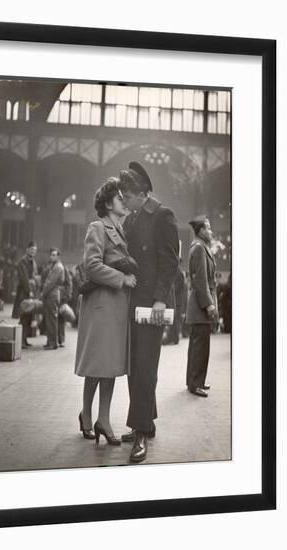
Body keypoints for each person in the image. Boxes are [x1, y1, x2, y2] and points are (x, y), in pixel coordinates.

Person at [119, 161, 179, 463]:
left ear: (139, 194)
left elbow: (170, 264)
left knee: (145, 367)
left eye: (126, 197)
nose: (124, 202)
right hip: (133, 303)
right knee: (135, 366)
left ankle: (140, 432)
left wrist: (160, 300)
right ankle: (147, 421)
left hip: (151, 305)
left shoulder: (163, 216)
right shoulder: (133, 218)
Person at [75, 178, 137, 445]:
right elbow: (91, 265)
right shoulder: (97, 227)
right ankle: (89, 416)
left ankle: (101, 418)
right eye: (120, 198)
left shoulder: (121, 231)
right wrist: (121, 278)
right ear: (108, 203)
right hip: (101, 306)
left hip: (116, 308)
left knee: (109, 366)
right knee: (98, 365)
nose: (124, 201)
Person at [186, 216, 217, 397]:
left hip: (198, 306)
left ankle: (194, 381)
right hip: (200, 307)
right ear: (202, 231)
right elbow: (201, 281)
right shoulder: (199, 248)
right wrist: (209, 305)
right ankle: (195, 384)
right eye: (209, 228)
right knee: (200, 348)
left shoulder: (200, 247)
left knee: (196, 346)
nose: (211, 232)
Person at [12, 242, 38, 349]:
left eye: (35, 250)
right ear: (27, 249)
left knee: (28, 315)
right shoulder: (22, 261)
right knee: (24, 315)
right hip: (24, 291)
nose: (33, 252)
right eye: (31, 249)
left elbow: (34, 276)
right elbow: (24, 278)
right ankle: (21, 340)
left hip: (31, 291)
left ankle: (25, 339)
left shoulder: (33, 262)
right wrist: (29, 290)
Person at [41, 248, 65, 350]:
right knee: (49, 319)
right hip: (51, 295)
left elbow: (51, 283)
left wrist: (43, 293)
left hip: (52, 295)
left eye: (54, 255)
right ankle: (50, 341)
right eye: (51, 255)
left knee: (52, 320)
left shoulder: (58, 267)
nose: (52, 257)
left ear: (58, 256)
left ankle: (53, 343)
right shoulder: (54, 266)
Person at [58, 266, 73, 347]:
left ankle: (61, 339)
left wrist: (67, 295)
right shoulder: (50, 267)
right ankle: (56, 339)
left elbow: (69, 283)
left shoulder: (64, 268)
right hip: (54, 297)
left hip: (61, 298)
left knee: (61, 319)